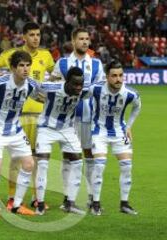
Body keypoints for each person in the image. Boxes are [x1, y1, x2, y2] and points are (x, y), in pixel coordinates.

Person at [0, 22, 55, 210]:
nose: (36, 38)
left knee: (37, 159)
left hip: (40, 115)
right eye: (31, 34)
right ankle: (13, 197)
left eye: (38, 34)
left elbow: (53, 75)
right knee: (17, 159)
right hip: (18, 115)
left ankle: (36, 197)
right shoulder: (11, 56)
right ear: (24, 36)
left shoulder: (46, 56)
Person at [51, 27, 105, 208]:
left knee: (90, 155)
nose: (84, 42)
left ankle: (91, 196)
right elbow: (53, 86)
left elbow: (101, 91)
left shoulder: (96, 64)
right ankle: (67, 197)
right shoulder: (63, 63)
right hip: (68, 118)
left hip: (90, 117)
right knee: (69, 155)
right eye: (81, 39)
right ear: (73, 41)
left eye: (87, 39)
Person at [0, 50, 38, 217]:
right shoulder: (0, 83)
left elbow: (40, 94)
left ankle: (17, 205)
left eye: (28, 65)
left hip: (15, 129)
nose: (25, 69)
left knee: (29, 164)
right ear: (13, 68)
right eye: (21, 65)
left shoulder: (31, 84)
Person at [89, 61, 141, 215]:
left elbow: (138, 106)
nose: (118, 79)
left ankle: (124, 204)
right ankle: (95, 203)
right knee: (99, 166)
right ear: (107, 77)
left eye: (121, 75)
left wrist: (129, 125)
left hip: (119, 132)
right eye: (114, 76)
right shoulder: (96, 89)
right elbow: (80, 96)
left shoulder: (130, 93)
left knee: (127, 166)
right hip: (99, 131)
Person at [35, 67, 87, 215]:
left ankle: (69, 203)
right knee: (43, 164)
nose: (78, 87)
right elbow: (33, 86)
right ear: (67, 81)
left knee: (77, 162)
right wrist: (39, 98)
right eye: (75, 84)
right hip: (46, 128)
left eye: (80, 84)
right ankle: (40, 204)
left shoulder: (84, 90)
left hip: (67, 130)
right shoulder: (52, 87)